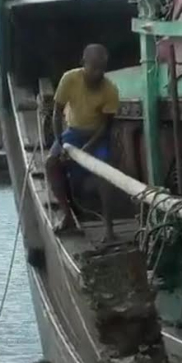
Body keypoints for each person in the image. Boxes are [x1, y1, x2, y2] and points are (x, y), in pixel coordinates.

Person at [47, 44, 120, 235]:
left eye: (102, 68)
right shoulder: (69, 79)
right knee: (51, 163)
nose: (98, 73)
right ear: (83, 63)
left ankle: (109, 230)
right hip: (73, 132)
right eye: (94, 67)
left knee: (105, 173)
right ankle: (67, 216)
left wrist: (88, 147)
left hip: (98, 136)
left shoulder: (110, 90)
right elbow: (56, 113)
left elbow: (106, 126)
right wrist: (61, 143)